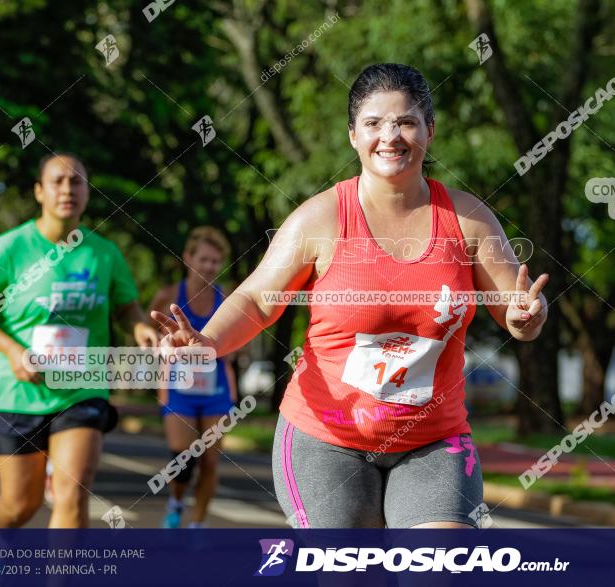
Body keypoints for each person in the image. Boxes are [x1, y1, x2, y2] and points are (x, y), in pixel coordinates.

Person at [153, 63, 548, 529]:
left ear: (429, 131)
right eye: (374, 123)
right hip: (326, 439)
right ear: (353, 135)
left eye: (406, 122)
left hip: (434, 442)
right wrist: (208, 340)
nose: (391, 136)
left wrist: (527, 317)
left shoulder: (470, 220)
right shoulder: (319, 219)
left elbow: (514, 309)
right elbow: (258, 299)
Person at [0, 153, 159, 528]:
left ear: (87, 191)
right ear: (39, 191)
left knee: (72, 492)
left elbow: (126, 307)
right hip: (15, 393)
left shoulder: (104, 253)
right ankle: (2, 538)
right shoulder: (8, 248)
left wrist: (139, 327)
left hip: (80, 389)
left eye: (77, 181)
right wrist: (13, 350)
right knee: (19, 507)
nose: (68, 189)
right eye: (57, 181)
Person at [147, 226, 237, 528]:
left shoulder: (228, 299)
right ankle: (176, 500)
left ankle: (197, 526)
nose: (209, 266)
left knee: (211, 461)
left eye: (215, 261)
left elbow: (237, 344)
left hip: (216, 390)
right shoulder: (170, 296)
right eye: (204, 259)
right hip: (178, 389)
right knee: (183, 462)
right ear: (188, 258)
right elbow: (150, 340)